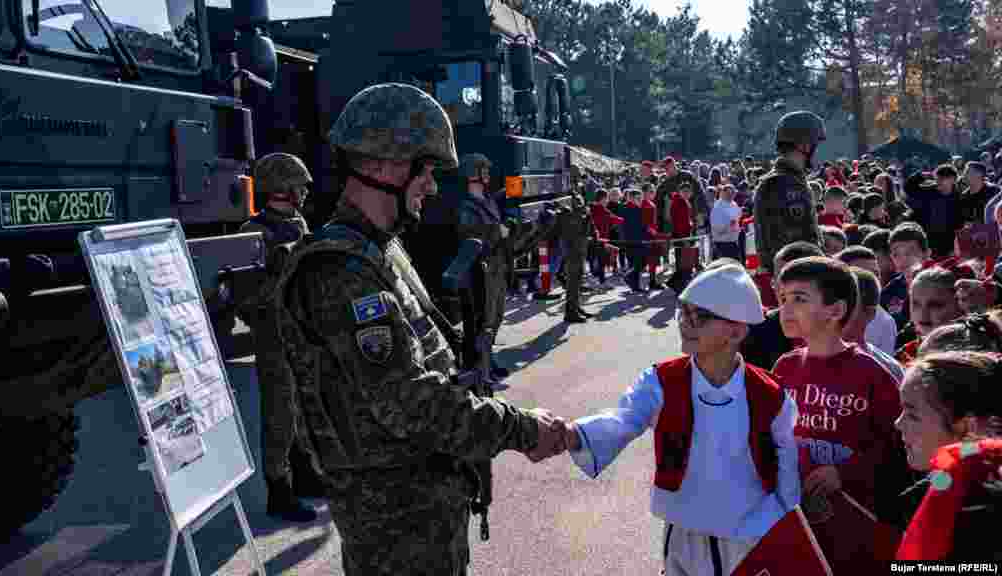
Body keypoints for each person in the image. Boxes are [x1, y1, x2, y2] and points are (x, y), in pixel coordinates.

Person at [273, 83, 567, 575]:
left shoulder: (379, 250)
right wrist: (520, 428)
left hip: (422, 510)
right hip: (395, 527)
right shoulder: (341, 273)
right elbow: (412, 403)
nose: (432, 186)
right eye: (426, 169)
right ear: (387, 164)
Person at [559, 263, 800, 576]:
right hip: (685, 526)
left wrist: (783, 520)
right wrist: (572, 434)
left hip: (750, 529)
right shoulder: (662, 380)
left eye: (698, 317)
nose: (685, 324)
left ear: (737, 332)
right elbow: (624, 418)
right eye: (683, 313)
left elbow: (786, 464)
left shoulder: (771, 393)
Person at [772, 256, 903, 573]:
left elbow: (900, 451)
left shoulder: (873, 375)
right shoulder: (784, 367)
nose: (785, 310)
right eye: (782, 298)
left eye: (799, 299)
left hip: (856, 525)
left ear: (836, 310)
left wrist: (845, 472)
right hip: (796, 521)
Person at [237, 152, 321, 522]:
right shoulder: (253, 232)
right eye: (299, 185)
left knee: (303, 405)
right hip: (274, 336)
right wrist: (279, 280)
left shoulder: (297, 223)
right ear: (283, 187)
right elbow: (245, 299)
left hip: (300, 332)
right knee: (279, 413)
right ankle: (278, 488)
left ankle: (304, 473)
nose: (304, 192)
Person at [893, 352, 1002, 561]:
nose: (898, 423)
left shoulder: (980, 521)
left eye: (912, 414)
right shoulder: (935, 489)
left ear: (968, 428)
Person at [753, 111, 824, 290]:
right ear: (804, 145)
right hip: (796, 281)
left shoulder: (786, 180)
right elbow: (799, 244)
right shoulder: (787, 184)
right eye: (815, 144)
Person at [456, 153, 511, 380]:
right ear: (472, 174)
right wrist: (499, 232)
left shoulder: (488, 201)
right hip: (481, 269)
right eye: (483, 170)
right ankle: (481, 365)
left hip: (497, 265)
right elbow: (470, 236)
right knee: (484, 319)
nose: (487, 174)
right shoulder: (466, 206)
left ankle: (488, 356)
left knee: (497, 315)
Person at [740, 241, 823, 371]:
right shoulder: (758, 331)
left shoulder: (838, 327)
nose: (785, 287)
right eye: (780, 278)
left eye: (796, 279)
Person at [843, 267, 905, 383]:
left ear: (869, 313)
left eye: (846, 307)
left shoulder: (889, 371)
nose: (833, 313)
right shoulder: (803, 360)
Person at [836, 245, 897, 355]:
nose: (872, 279)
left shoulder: (886, 322)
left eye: (876, 273)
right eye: (862, 272)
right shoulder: (821, 311)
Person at [895, 267, 962, 367]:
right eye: (916, 304)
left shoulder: (970, 354)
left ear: (958, 305)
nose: (923, 314)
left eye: (935, 305)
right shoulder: (905, 355)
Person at [562, 192, 598, 323]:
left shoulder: (577, 196)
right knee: (573, 281)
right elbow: (574, 221)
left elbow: (586, 218)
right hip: (573, 247)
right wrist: (583, 212)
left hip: (580, 246)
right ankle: (570, 312)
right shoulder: (567, 200)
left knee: (578, 280)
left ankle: (576, 307)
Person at [710, 184, 742, 261]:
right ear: (723, 193)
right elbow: (716, 226)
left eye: (733, 193)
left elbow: (737, 216)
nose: (731, 195)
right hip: (722, 243)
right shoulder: (718, 207)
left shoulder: (734, 204)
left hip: (733, 241)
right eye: (728, 193)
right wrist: (728, 225)